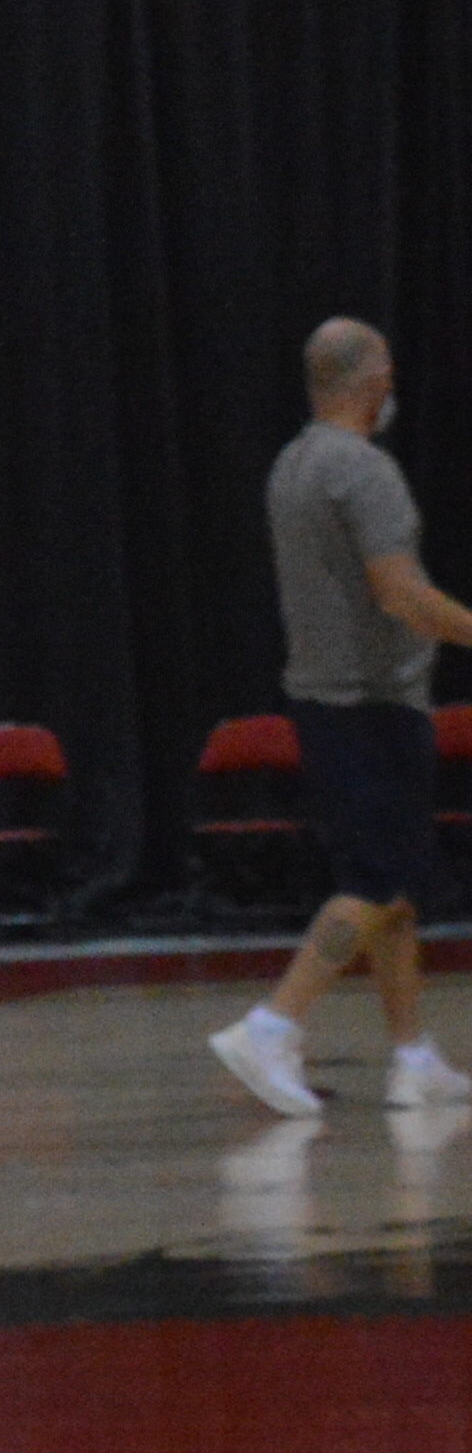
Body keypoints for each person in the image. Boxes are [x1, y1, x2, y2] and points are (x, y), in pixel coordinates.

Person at [208, 317, 472, 1117]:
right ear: (368, 382)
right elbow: (401, 595)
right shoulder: (364, 471)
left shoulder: (292, 465)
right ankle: (272, 1024)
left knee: (394, 893)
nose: (393, 384)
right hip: (372, 708)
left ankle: (411, 1056)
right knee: (372, 885)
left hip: (324, 703)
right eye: (387, 371)